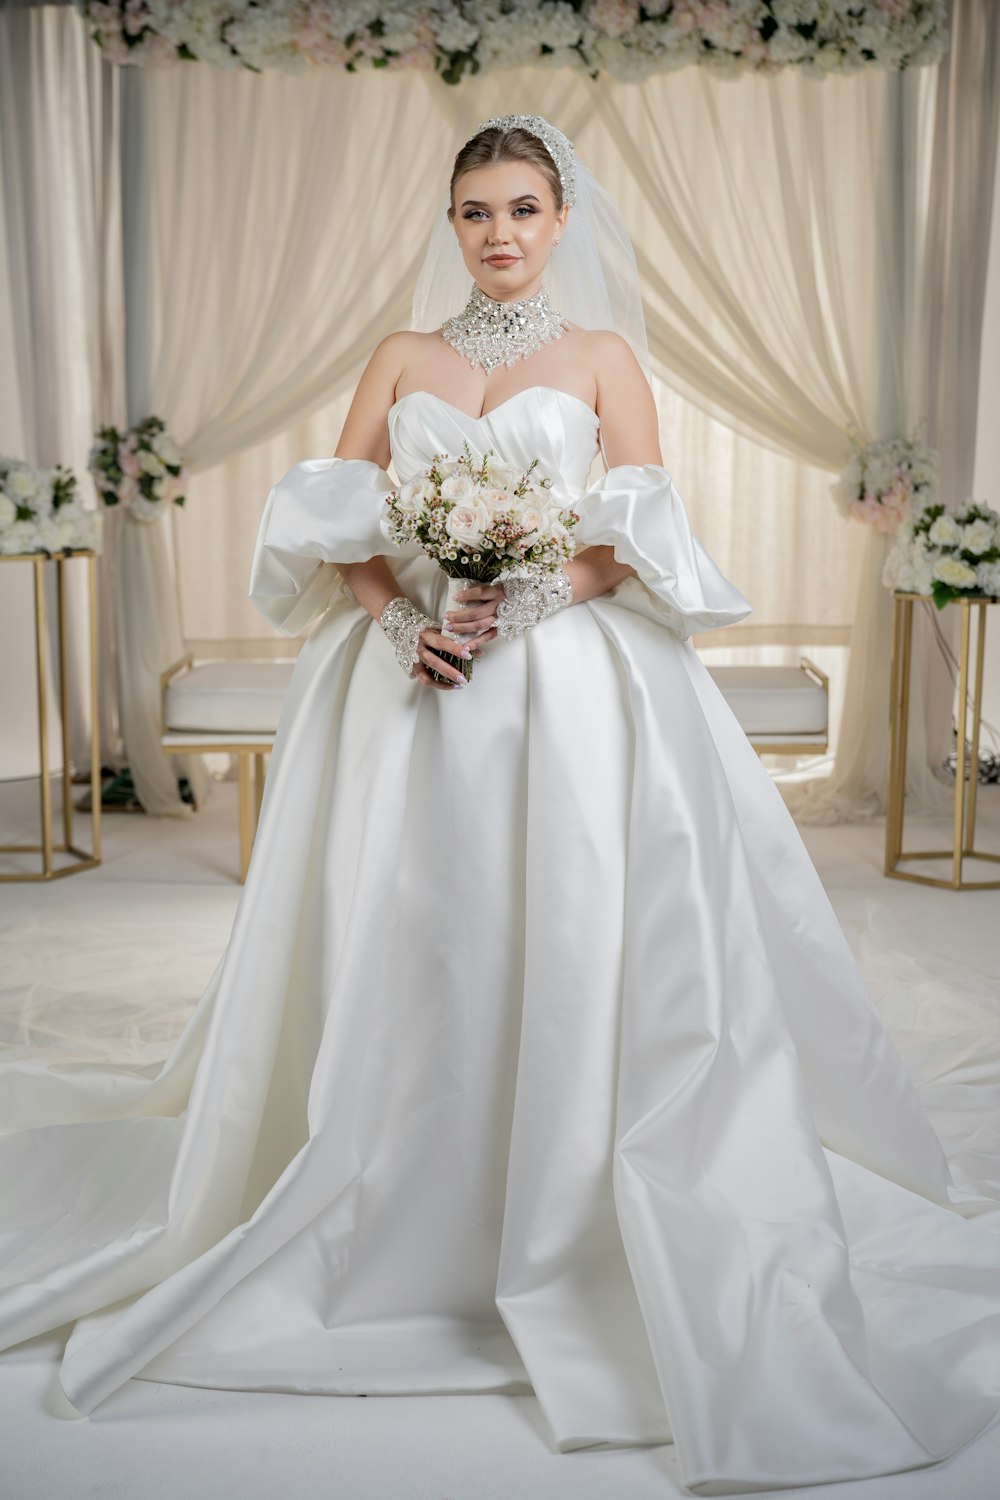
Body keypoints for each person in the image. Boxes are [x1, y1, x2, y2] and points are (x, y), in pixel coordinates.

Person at [1, 114, 998, 1498]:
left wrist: (533, 591)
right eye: (476, 211)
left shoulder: (603, 360)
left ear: (562, 218)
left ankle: (568, 1183)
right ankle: (393, 1165)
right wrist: (400, 620)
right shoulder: (402, 359)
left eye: (524, 208)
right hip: (411, 673)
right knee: (411, 924)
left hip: (562, 675)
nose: (501, 234)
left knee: (573, 920)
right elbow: (337, 514)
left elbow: (640, 523)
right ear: (451, 223)